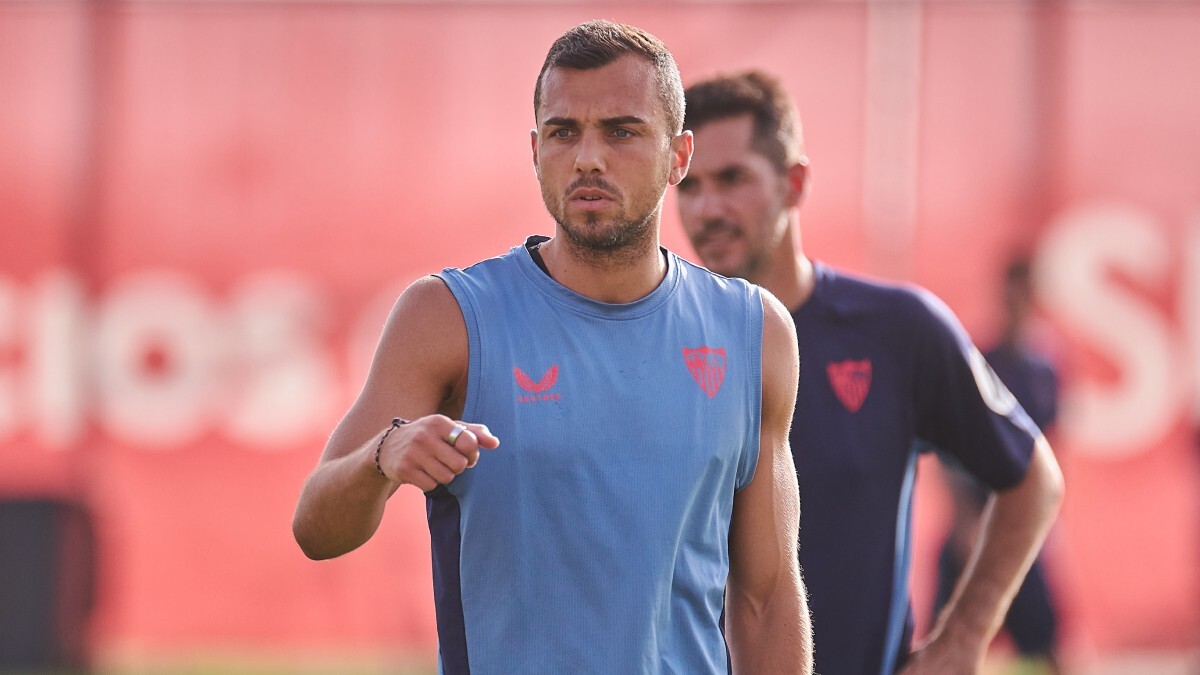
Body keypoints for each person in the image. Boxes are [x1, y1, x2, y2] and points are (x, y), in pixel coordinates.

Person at [293, 22, 813, 675]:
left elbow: (767, 596)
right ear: (536, 150)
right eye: (565, 132)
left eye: (621, 131)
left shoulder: (753, 331)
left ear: (679, 156)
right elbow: (316, 528)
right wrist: (381, 455)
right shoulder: (448, 315)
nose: (588, 158)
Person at [675, 70, 1064, 675]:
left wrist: (963, 638)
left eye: (732, 179)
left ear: (794, 183)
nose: (708, 209)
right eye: (689, 186)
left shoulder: (897, 329)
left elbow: (1033, 478)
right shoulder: (659, 341)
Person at [933, 257, 1064, 673]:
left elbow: (1050, 453)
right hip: (977, 519)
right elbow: (951, 446)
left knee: (1047, 643)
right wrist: (965, 519)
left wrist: (1044, 518)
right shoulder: (981, 361)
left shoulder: (1047, 369)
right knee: (942, 637)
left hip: (1021, 523)